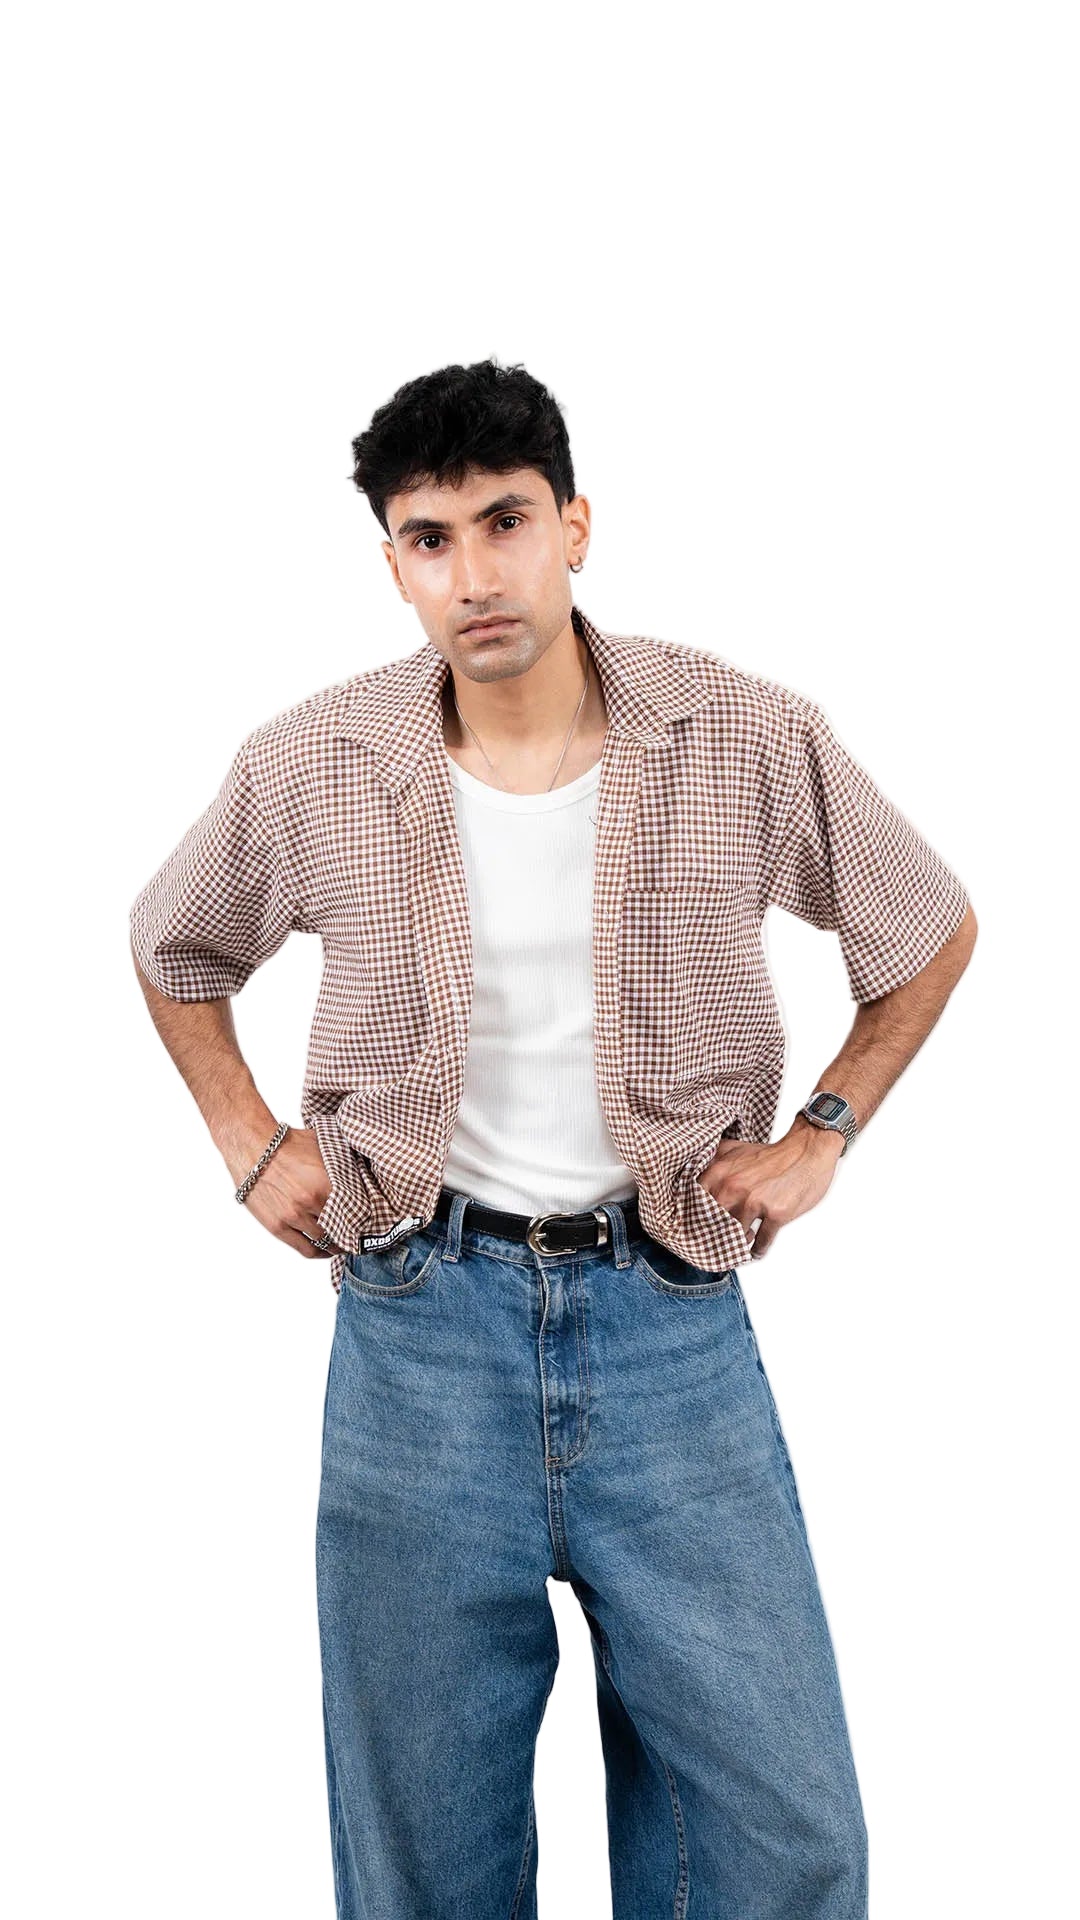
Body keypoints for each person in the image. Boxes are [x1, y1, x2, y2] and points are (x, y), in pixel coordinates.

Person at [129, 356, 976, 1918]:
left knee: (782, 1833)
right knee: (425, 1859)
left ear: (575, 525)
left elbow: (925, 926)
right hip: (415, 1332)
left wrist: (824, 1134)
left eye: (504, 522)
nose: (473, 574)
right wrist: (250, 1140)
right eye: (429, 538)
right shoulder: (316, 762)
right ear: (392, 564)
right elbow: (176, 945)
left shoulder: (733, 729)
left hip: (671, 1325)